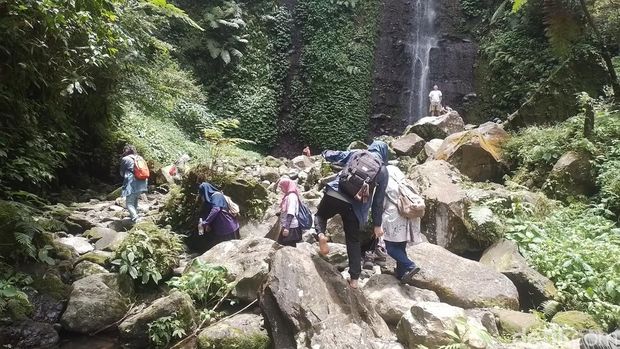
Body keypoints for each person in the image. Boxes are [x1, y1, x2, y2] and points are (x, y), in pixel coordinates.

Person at [314, 140, 389, 288]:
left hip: (335, 192)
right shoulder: (383, 170)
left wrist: (325, 153)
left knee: (320, 215)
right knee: (353, 240)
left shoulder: (358, 153)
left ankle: (321, 236)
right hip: (356, 205)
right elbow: (378, 201)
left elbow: (339, 156)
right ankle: (354, 279)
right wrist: (377, 224)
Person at [382, 165, 422, 283]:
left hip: (394, 216)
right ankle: (401, 274)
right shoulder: (406, 184)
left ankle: (410, 265)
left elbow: (381, 203)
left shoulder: (386, 183)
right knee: (400, 246)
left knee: (390, 248)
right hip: (410, 217)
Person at [197, 182, 240, 250]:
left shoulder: (216, 196)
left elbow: (216, 209)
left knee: (235, 249)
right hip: (221, 230)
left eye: (201, 192)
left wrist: (205, 223)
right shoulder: (208, 201)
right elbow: (205, 212)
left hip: (229, 227)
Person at [119, 145, 148, 223]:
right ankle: (134, 215)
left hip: (132, 182)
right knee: (135, 199)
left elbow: (121, 172)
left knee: (129, 203)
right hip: (143, 181)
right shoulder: (140, 158)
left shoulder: (125, 159)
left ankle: (136, 219)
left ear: (126, 151)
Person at [277, 178, 303, 247]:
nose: (281, 189)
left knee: (285, 247)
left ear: (286, 186)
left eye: (282, 187)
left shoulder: (291, 197)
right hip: (289, 226)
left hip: (291, 227)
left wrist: (287, 228)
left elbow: (291, 212)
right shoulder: (288, 195)